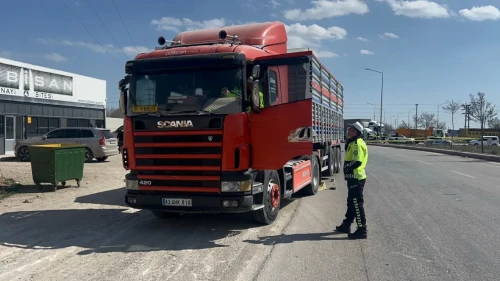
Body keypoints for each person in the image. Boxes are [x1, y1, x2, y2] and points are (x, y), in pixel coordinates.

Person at [336, 121, 369, 239]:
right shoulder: (353, 142)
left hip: (356, 178)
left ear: (355, 131)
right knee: (351, 203)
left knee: (356, 204)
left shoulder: (357, 144)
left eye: (350, 128)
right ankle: (346, 225)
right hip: (353, 178)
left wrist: (347, 167)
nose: (348, 129)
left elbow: (358, 161)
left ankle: (362, 229)